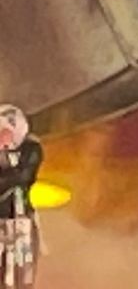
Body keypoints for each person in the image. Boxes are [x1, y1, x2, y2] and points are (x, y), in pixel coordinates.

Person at [0, 106, 40, 289]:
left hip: (21, 221)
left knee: (24, 274)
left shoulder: (31, 149)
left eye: (6, 131)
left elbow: (24, 176)